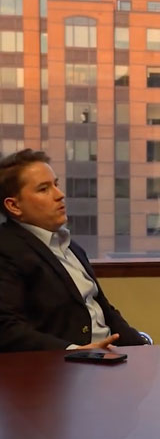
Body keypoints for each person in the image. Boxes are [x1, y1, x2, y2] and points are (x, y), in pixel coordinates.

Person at [0, 149, 147, 352]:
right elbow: (7, 329)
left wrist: (144, 352)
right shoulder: (6, 248)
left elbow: (104, 309)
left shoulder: (71, 247)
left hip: (108, 360)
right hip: (61, 371)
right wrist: (76, 351)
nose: (60, 195)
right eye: (44, 189)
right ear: (14, 206)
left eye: (56, 185)